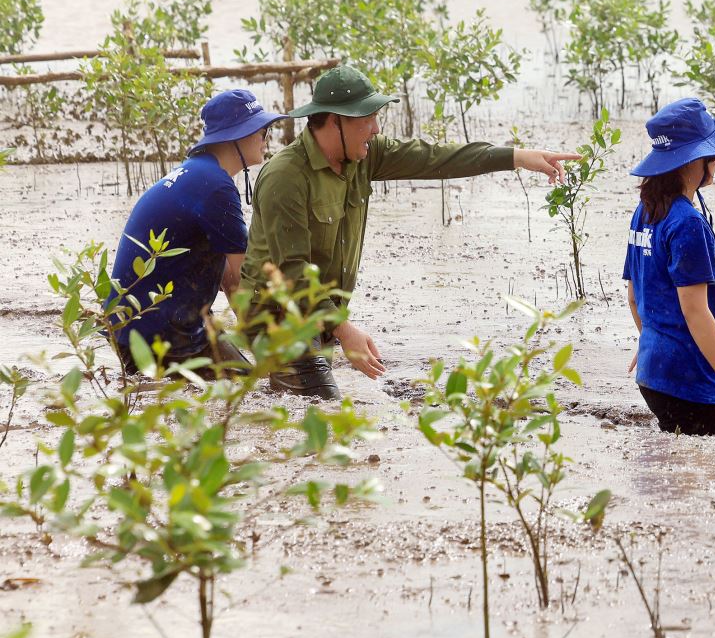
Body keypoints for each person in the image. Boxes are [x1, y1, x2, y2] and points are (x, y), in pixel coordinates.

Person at [240, 64, 576, 400]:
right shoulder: (285, 177)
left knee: (300, 404)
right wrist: (345, 331)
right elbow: (292, 273)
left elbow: (434, 158)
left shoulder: (364, 156)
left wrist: (518, 157)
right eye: (365, 120)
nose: (375, 129)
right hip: (277, 313)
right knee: (319, 407)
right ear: (333, 121)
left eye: (376, 117)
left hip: (319, 310)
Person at [107, 88, 286, 375]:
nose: (266, 138)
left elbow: (229, 279)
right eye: (262, 130)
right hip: (154, 330)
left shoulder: (202, 173)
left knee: (245, 381)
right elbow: (243, 279)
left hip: (149, 322)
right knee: (238, 392)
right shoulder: (215, 186)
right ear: (237, 135)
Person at [623, 98, 715, 443]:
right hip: (693, 386)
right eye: (713, 154)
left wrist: (654, 339)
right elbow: (696, 311)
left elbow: (635, 296)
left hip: (654, 377)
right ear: (693, 162)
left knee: (687, 455)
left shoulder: (645, 212)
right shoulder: (687, 224)